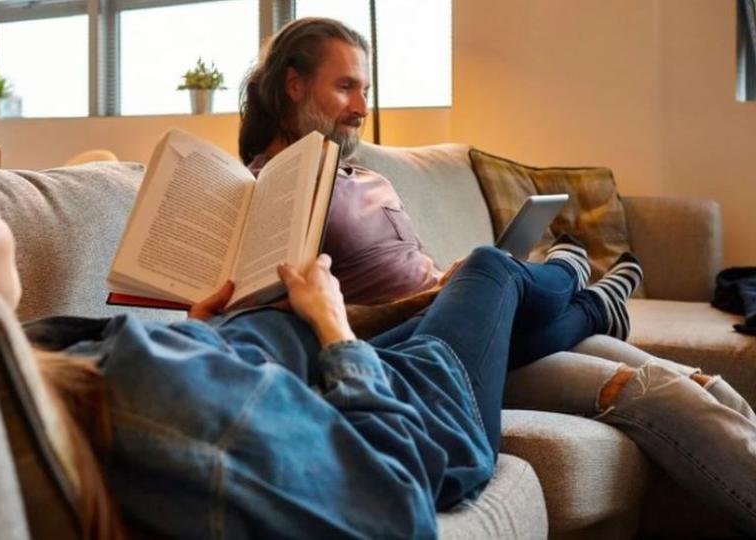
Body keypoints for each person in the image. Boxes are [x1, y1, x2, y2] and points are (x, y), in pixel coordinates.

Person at [0, 113, 628, 538]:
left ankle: (575, 289)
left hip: (314, 377)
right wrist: (336, 334)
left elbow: (198, 396)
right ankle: (585, 287)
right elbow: (394, 507)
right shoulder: (134, 393)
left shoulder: (24, 361)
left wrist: (205, 331)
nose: (3, 212)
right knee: (487, 271)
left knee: (453, 300)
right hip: (413, 422)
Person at [238, 16, 756, 534]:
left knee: (696, 382)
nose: (362, 107)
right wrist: (435, 301)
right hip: (425, 347)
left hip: (470, 314)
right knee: (653, 390)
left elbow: (412, 268)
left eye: (366, 89)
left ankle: (572, 295)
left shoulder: (366, 174)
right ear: (294, 84)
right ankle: (580, 292)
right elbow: (304, 325)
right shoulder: (278, 188)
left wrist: (452, 284)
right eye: (345, 86)